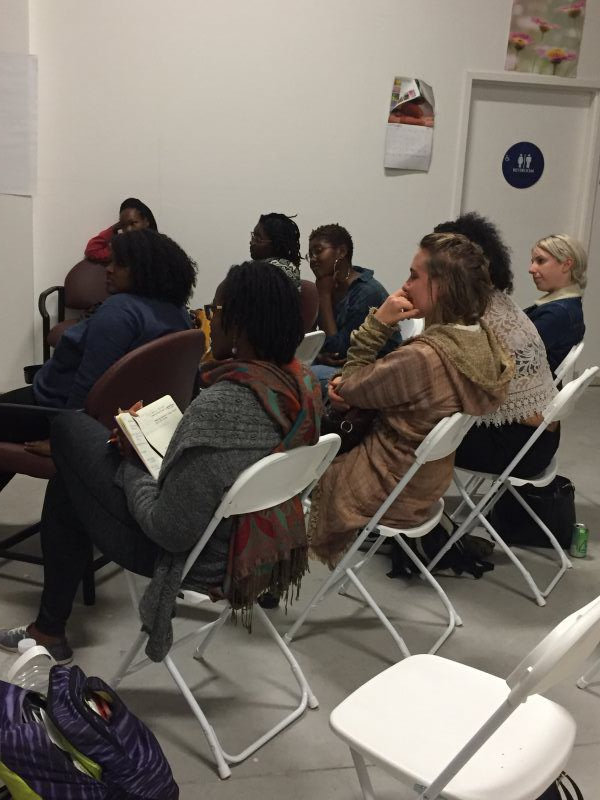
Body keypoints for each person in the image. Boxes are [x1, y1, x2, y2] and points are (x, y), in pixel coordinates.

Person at [0, 261, 321, 664]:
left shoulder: (225, 406)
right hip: (244, 537)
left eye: (216, 311)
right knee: (72, 473)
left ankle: (49, 629)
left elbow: (168, 531)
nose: (209, 322)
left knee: (67, 430)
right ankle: (47, 630)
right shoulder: (301, 385)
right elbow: (217, 464)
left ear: (239, 325)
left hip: (195, 557)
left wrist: (133, 460)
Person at [308, 232, 513, 567]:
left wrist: (378, 324)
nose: (404, 286)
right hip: (426, 485)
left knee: (290, 448)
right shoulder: (482, 341)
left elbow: (350, 386)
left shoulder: (424, 358)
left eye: (414, 276)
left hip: (386, 486)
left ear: (442, 286)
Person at [0, 229, 196, 489]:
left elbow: (87, 386)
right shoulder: (178, 313)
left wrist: (63, 441)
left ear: (145, 269)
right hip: (126, 422)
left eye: (119, 264)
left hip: (53, 411)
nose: (109, 269)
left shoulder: (119, 311)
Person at [434, 213, 559, 477]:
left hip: (519, 446)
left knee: (412, 429)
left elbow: (441, 382)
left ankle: (404, 510)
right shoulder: (496, 301)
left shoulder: (478, 315)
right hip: (540, 438)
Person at [308, 223, 402, 393]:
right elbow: (317, 340)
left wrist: (323, 295)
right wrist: (319, 354)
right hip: (346, 365)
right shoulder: (330, 286)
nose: (313, 258)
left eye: (318, 250)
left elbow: (338, 350)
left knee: (306, 376)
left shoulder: (366, 292)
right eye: (310, 254)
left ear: (342, 252)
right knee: (288, 367)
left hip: (375, 372)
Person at [524, 234, 586, 374]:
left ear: (566, 264)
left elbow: (512, 353)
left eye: (540, 261)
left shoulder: (558, 313)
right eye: (533, 261)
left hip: (527, 392)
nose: (531, 269)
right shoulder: (567, 306)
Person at [84, 198, 158, 264]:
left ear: (146, 221)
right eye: (123, 225)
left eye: (133, 223)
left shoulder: (160, 248)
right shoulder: (123, 250)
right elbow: (92, 250)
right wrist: (114, 228)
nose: (128, 230)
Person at [249, 212, 302, 288]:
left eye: (258, 238)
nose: (252, 242)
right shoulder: (289, 268)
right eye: (253, 236)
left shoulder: (277, 271)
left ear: (276, 244)